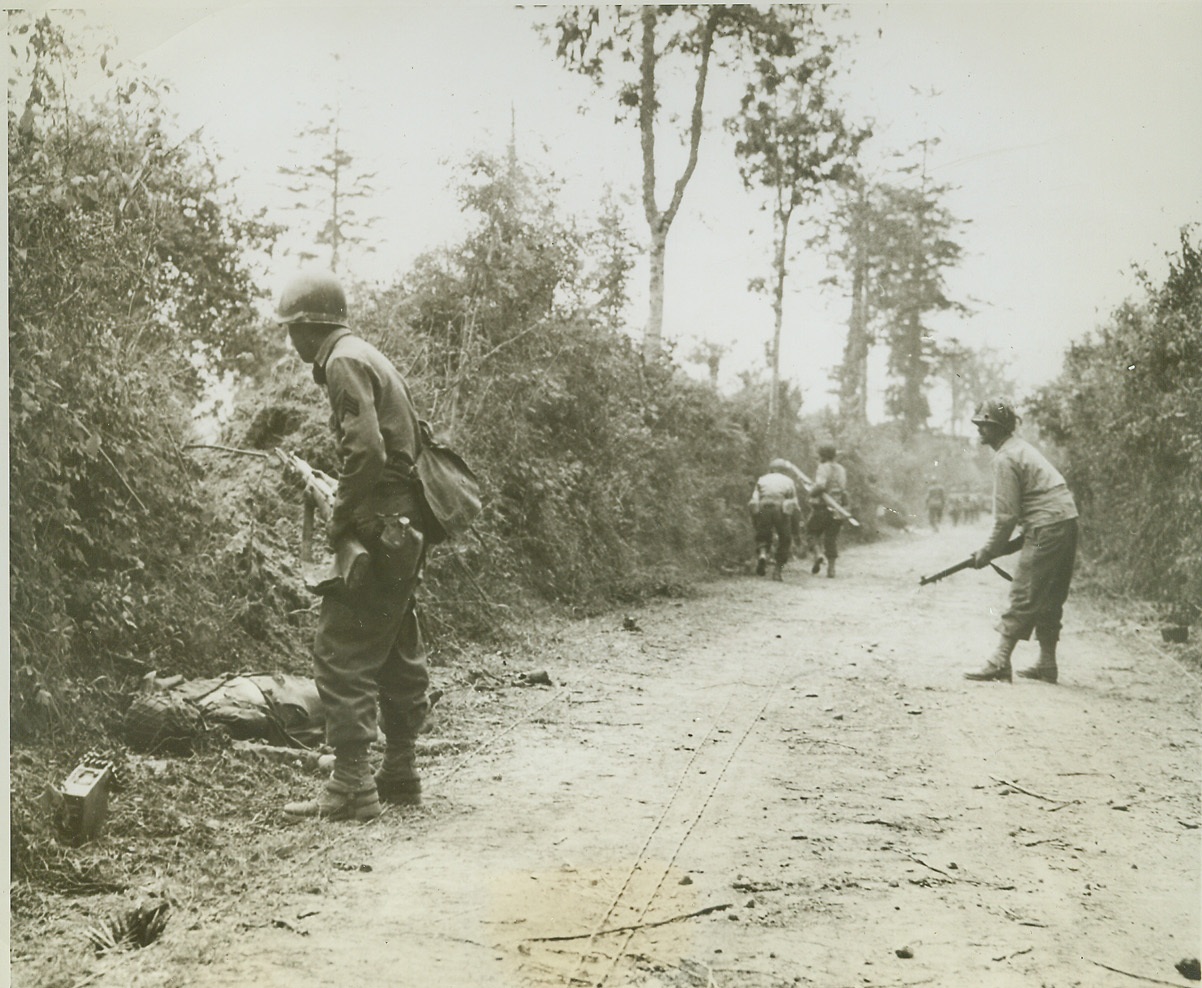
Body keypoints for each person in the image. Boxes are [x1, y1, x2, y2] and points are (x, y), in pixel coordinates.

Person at [277, 270, 432, 821]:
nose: (290, 340)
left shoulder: (342, 361)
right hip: (403, 520)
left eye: (291, 329)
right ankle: (399, 770)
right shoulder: (364, 353)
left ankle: (350, 787)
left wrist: (341, 519)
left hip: (381, 520)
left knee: (341, 647)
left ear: (308, 327)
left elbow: (364, 451)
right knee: (392, 641)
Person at [963, 397, 1079, 684]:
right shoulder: (1019, 449)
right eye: (979, 424)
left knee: (1025, 591)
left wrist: (988, 551)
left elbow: (1006, 518)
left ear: (1000, 427)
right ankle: (1047, 663)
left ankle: (1000, 660)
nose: (979, 430)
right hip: (1065, 521)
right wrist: (993, 551)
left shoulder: (1005, 457)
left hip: (1047, 526)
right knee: (1050, 594)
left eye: (985, 425)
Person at [749, 462, 799, 581]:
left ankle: (762, 554)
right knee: (784, 539)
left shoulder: (762, 479)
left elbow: (755, 497)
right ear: (784, 470)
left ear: (771, 469)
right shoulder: (788, 480)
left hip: (764, 506)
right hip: (780, 509)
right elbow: (794, 501)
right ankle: (777, 571)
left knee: (763, 534)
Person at [805, 443, 848, 578]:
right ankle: (831, 569)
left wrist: (811, 493)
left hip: (822, 508)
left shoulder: (823, 468)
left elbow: (821, 486)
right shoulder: (841, 469)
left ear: (822, 456)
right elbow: (842, 489)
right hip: (838, 509)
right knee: (831, 539)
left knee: (811, 533)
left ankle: (818, 554)